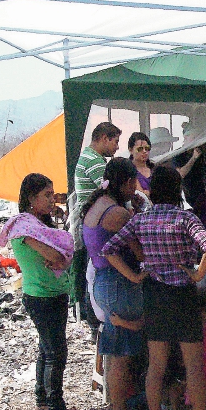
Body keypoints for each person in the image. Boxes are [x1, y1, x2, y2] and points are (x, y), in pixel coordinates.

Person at [102, 165, 206, 410]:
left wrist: (134, 275)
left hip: (154, 295)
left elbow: (109, 250)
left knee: (156, 365)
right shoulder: (185, 218)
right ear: (178, 189)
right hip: (183, 295)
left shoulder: (141, 219)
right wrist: (198, 273)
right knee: (193, 365)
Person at [0, 174, 77, 410]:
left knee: (46, 349)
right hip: (41, 296)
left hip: (52, 292)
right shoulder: (24, 227)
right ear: (31, 198)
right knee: (56, 351)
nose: (51, 199)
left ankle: (42, 401)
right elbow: (54, 256)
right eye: (46, 195)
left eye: (52, 194)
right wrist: (60, 256)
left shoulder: (38, 225)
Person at [82, 158, 145, 410]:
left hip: (104, 281)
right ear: (127, 182)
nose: (136, 188)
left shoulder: (99, 206)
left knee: (114, 346)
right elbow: (140, 250)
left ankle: (115, 407)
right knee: (121, 351)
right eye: (134, 183)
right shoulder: (118, 214)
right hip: (119, 282)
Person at [72, 122, 122, 330]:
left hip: (90, 222)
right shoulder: (94, 162)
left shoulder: (91, 157)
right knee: (95, 270)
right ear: (103, 138)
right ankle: (95, 318)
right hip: (94, 224)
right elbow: (110, 187)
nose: (117, 147)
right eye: (115, 141)